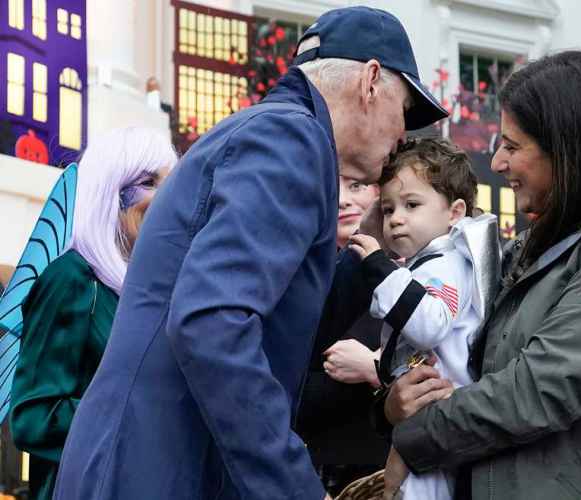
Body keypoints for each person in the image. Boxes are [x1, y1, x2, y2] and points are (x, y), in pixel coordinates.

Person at [53, 7, 447, 500]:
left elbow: (271, 326)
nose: (403, 137)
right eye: (405, 110)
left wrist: (361, 259)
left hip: (149, 461)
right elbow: (212, 322)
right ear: (370, 81)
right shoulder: (290, 138)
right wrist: (292, 485)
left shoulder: (274, 133)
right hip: (160, 467)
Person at [382, 51, 581, 499]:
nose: (497, 162)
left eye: (512, 145)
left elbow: (541, 388)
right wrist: (397, 402)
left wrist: (416, 440)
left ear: (569, 149)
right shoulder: (528, 247)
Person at [8, 127, 176, 500]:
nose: (165, 196)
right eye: (148, 181)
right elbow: (34, 418)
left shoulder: (148, 290)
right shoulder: (72, 279)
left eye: (170, 182)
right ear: (109, 190)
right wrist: (141, 412)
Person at [347, 138, 498, 500]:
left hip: (443, 415)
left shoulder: (447, 265)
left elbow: (430, 323)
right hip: (427, 415)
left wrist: (379, 267)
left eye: (411, 205)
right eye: (387, 209)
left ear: (455, 212)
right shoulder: (425, 265)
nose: (396, 218)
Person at [294, 176, 388, 496]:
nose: (343, 201)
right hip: (321, 475)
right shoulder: (303, 286)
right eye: (332, 189)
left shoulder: (437, 278)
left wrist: (376, 368)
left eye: (357, 186)